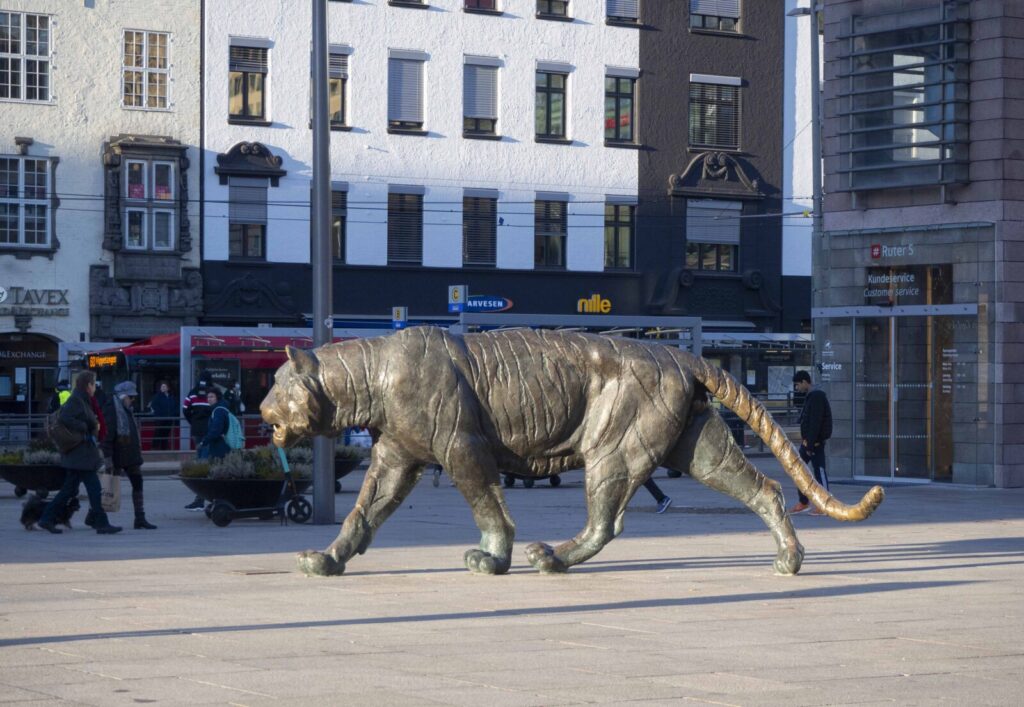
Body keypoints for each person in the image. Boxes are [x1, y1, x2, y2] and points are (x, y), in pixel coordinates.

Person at [36, 371, 122, 535]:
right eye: (93, 383)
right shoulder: (76, 399)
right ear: (86, 385)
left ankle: (46, 518)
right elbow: (66, 418)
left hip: (80, 455)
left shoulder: (84, 399)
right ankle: (101, 523)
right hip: (80, 454)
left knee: (68, 490)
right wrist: (86, 428)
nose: (94, 387)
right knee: (94, 489)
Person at [101, 381, 157, 530]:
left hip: (131, 456)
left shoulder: (125, 410)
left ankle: (140, 517)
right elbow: (107, 436)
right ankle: (94, 515)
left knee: (138, 484)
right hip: (118, 456)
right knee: (109, 489)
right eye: (131, 397)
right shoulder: (112, 409)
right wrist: (108, 459)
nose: (133, 400)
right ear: (123, 396)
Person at [789, 370, 833, 516]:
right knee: (797, 468)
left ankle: (824, 504)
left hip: (815, 443)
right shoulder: (812, 396)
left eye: (797, 385)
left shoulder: (816, 396)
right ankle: (803, 502)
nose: (796, 388)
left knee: (819, 471)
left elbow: (815, 422)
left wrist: (810, 444)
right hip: (808, 441)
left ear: (804, 382)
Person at [182, 379, 212, 510]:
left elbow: (185, 409)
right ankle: (202, 499)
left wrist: (193, 421)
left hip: (196, 430)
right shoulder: (212, 393)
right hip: (208, 431)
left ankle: (200, 499)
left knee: (201, 461)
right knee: (205, 462)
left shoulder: (193, 393)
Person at [197, 388, 232, 462]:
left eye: (212, 397)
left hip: (220, 445)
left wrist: (204, 441)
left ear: (217, 397)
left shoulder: (218, 410)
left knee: (219, 466)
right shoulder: (221, 408)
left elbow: (216, 429)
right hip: (223, 442)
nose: (209, 399)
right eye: (208, 397)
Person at [148, 381, 178, 451]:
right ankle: (155, 448)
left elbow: (175, 406)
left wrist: (172, 414)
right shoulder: (157, 396)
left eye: (164, 386)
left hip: (169, 419)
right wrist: (160, 414)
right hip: (160, 419)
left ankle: (164, 448)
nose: (163, 388)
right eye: (162, 387)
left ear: (168, 388)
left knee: (166, 434)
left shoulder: (171, 397)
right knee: (158, 433)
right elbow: (154, 406)